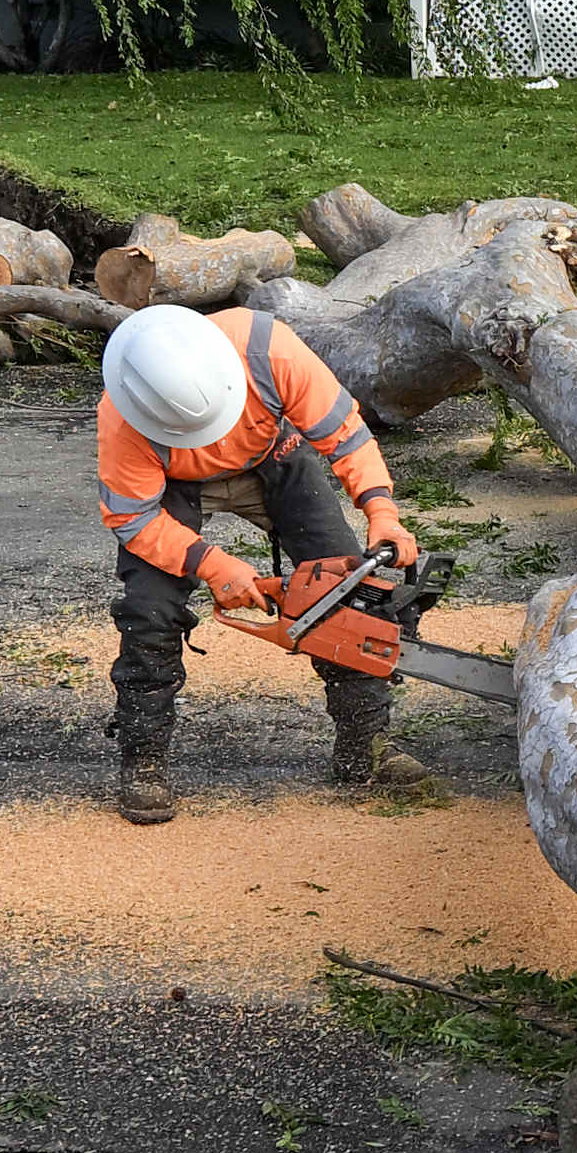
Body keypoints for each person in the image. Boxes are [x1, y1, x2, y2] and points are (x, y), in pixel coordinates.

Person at [94, 298, 420, 819]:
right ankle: (144, 757)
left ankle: (366, 746)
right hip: (175, 485)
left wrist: (381, 510)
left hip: (273, 453)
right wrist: (214, 566)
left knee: (345, 584)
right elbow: (133, 518)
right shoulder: (123, 414)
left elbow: (345, 433)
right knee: (149, 610)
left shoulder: (270, 351)